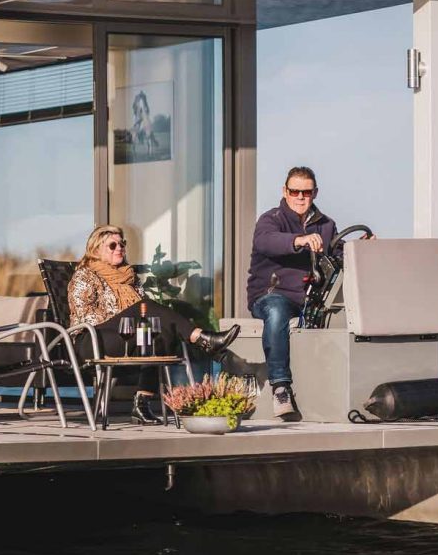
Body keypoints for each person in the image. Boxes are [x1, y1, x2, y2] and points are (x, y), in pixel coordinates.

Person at [69, 224, 239, 423]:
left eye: (122, 244)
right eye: (112, 245)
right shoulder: (85, 275)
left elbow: (143, 314)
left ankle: (141, 404)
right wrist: (125, 317)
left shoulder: (130, 277)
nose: (120, 248)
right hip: (92, 340)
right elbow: (83, 315)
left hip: (125, 338)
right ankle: (202, 339)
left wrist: (132, 319)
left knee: (159, 333)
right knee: (145, 308)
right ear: (96, 250)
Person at [246, 165, 339, 421]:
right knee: (277, 312)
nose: (300, 197)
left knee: (342, 315)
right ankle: (280, 387)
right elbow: (265, 241)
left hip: (311, 299)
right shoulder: (271, 219)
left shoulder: (327, 225)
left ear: (315, 193)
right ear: (284, 191)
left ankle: (331, 392)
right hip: (271, 296)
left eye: (306, 192)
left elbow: (339, 252)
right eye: (294, 191)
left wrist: (361, 247)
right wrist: (299, 240)